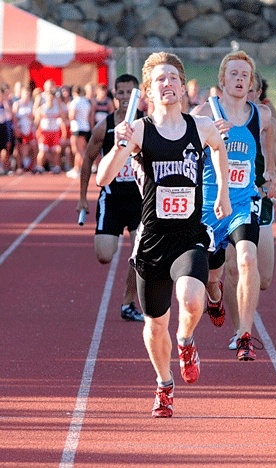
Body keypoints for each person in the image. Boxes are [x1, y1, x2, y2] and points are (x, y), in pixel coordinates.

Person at [96, 52, 231, 418]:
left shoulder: (200, 126)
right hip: (152, 239)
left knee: (190, 299)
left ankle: (186, 340)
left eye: (173, 77)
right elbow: (102, 178)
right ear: (148, 90)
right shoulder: (138, 130)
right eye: (160, 79)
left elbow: (219, 149)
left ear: (182, 85)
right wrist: (119, 143)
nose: (168, 83)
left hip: (189, 235)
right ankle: (164, 383)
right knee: (156, 325)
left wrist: (222, 192)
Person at [191, 51, 276, 361]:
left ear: (251, 81)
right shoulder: (203, 112)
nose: (240, 79)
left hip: (243, 202)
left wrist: (269, 170)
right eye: (234, 74)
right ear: (222, 80)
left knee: (246, 259)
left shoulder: (261, 115)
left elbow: (271, 136)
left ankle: (244, 334)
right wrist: (209, 136)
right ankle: (215, 297)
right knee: (212, 276)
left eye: (245, 75)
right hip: (210, 206)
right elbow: (186, 150)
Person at [77, 74, 145, 323]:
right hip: (112, 199)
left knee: (141, 253)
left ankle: (128, 302)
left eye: (130, 93)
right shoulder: (104, 127)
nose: (126, 98)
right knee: (104, 255)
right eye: (121, 93)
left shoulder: (146, 124)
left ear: (138, 96)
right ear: (114, 95)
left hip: (140, 201)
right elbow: (86, 159)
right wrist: (82, 197)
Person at [223, 71, 276, 350]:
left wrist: (274, 180)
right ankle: (240, 331)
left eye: (251, 89)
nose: (244, 93)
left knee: (264, 278)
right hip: (232, 202)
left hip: (260, 200)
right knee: (234, 267)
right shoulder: (220, 116)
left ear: (258, 93)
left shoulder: (267, 121)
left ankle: (243, 315)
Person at [66, 85, 92, 179]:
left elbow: (72, 116)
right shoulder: (86, 102)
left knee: (77, 150)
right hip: (85, 127)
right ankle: (77, 168)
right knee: (79, 150)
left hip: (77, 128)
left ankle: (82, 168)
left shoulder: (74, 102)